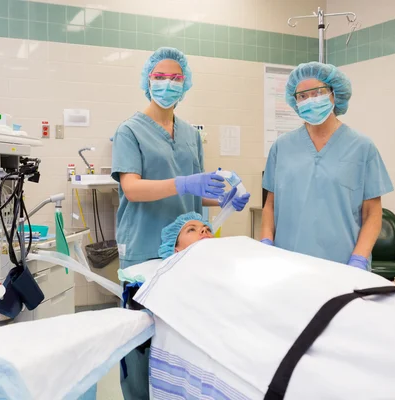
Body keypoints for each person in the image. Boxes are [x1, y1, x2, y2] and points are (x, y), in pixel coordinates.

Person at [111, 47, 250, 400]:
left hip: (188, 253)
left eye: (175, 78)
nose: (167, 84)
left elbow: (192, 191)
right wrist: (186, 183)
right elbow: (132, 188)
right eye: (160, 77)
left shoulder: (190, 133)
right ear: (147, 80)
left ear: (185, 84)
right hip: (145, 246)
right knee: (142, 345)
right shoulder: (130, 130)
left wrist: (221, 198)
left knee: (181, 342)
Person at [261, 61, 394, 272]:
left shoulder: (361, 147)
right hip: (287, 262)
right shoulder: (282, 147)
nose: (309, 101)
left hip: (342, 265)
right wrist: (267, 242)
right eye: (302, 96)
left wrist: (358, 259)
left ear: (334, 94)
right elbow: (270, 205)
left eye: (317, 93)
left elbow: (372, 213)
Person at [160, 212, 395, 297]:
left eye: (206, 227)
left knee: (316, 275)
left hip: (276, 276)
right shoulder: (186, 271)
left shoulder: (232, 247)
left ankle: (389, 289)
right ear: (176, 248)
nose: (204, 230)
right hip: (263, 293)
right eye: (192, 230)